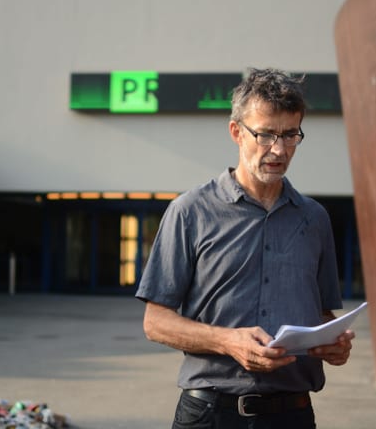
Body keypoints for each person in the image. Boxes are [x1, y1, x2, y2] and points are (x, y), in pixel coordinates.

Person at [135, 68, 355, 429]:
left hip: (294, 416)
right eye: (265, 134)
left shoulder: (314, 219)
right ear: (237, 132)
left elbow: (322, 316)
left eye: (290, 135)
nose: (279, 149)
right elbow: (155, 322)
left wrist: (335, 344)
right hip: (210, 414)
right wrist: (227, 341)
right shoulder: (190, 211)